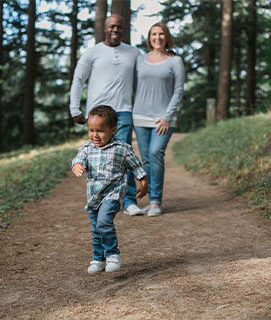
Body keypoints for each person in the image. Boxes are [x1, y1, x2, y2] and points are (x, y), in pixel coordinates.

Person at [69, 14, 144, 216]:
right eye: (111, 26)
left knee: (125, 156)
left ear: (123, 29)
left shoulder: (134, 53)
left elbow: (147, 75)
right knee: (96, 159)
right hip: (97, 114)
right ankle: (101, 199)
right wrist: (74, 109)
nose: (115, 30)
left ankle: (128, 201)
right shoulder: (92, 52)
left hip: (123, 112)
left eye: (119, 27)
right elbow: (78, 80)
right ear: (104, 28)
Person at [72, 106, 148, 273]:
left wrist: (143, 183)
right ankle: (98, 258)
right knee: (95, 229)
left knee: (104, 222)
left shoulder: (121, 149)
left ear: (113, 130)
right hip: (93, 197)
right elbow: (78, 159)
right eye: (91, 130)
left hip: (113, 194)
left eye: (100, 130)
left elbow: (136, 167)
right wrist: (77, 165)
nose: (95, 135)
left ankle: (113, 254)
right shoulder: (87, 148)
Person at [132, 22, 185, 217]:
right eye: (154, 34)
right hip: (140, 116)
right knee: (146, 159)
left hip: (163, 119)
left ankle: (156, 202)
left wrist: (166, 116)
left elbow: (179, 90)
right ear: (149, 38)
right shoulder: (140, 60)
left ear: (166, 37)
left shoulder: (175, 61)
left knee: (156, 152)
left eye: (161, 34)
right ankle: (151, 199)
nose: (157, 37)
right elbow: (136, 85)